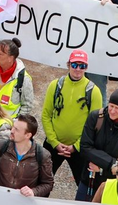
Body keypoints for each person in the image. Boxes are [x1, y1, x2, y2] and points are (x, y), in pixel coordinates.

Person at [42, 49, 103, 186]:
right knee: (41, 182)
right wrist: (54, 142)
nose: (78, 69)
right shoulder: (55, 85)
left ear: (86, 68)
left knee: (85, 186)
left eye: (82, 66)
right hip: (53, 145)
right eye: (75, 65)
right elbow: (46, 115)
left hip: (80, 148)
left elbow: (95, 125)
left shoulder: (94, 91)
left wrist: (76, 146)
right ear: (68, 64)